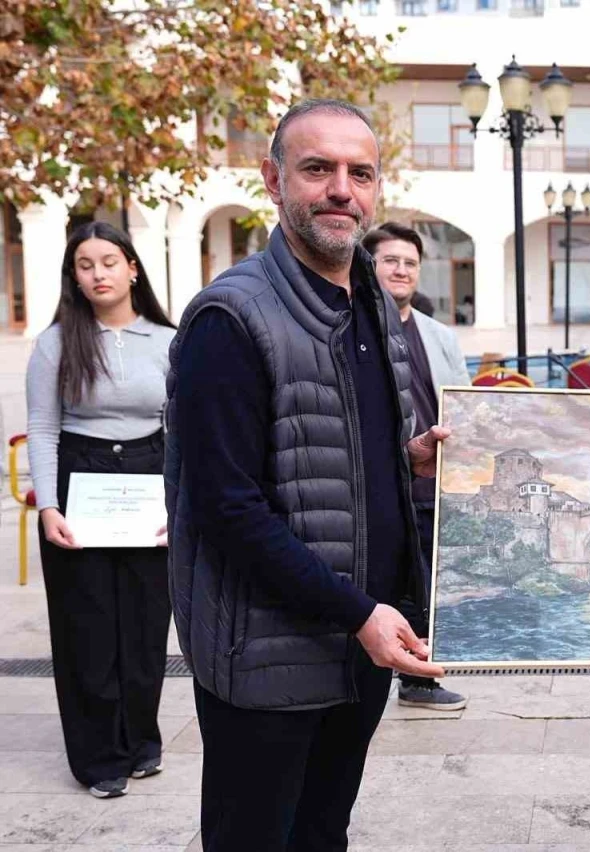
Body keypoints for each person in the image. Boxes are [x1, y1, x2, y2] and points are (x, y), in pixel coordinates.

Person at [166, 99, 448, 851]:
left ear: (377, 190)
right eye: (317, 168)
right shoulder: (229, 319)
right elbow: (229, 508)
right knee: (255, 838)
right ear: (273, 178)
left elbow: (331, 447)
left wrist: (408, 457)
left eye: (360, 173)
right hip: (269, 656)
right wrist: (358, 612)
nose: (340, 190)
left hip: (362, 645)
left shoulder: (375, 306)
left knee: (324, 832)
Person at [24, 222, 175, 799]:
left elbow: (183, 425)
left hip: (149, 478)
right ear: (74, 276)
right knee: (86, 627)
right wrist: (48, 505)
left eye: (108, 261)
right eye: (85, 265)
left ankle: (141, 741)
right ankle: (99, 759)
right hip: (78, 480)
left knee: (143, 623)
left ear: (132, 267)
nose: (98, 274)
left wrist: (178, 503)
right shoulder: (57, 342)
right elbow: (42, 426)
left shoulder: (167, 340)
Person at [363, 222, 470, 711]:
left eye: (409, 262)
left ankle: (420, 678)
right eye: (390, 260)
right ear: (370, 265)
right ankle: (369, 678)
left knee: (429, 585)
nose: (401, 270)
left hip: (433, 482)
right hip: (379, 482)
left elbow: (464, 404)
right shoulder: (355, 326)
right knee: (384, 582)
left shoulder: (440, 336)